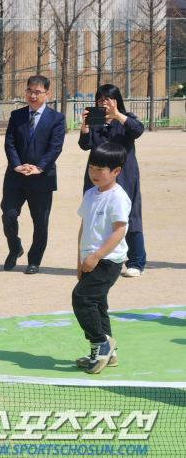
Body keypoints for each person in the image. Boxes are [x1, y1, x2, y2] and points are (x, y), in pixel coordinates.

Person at [72, 143, 130, 374]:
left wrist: (96, 256)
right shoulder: (89, 193)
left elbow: (119, 231)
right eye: (92, 167)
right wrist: (79, 261)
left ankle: (100, 343)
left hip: (107, 261)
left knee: (82, 299)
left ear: (116, 171)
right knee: (98, 304)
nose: (94, 173)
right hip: (90, 260)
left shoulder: (118, 197)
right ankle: (108, 354)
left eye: (100, 169)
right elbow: (84, 227)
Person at [1, 75, 65, 274]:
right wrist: (17, 165)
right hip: (15, 176)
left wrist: (40, 167)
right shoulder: (17, 115)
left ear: (47, 94)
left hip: (42, 178)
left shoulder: (57, 119)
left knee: (40, 221)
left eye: (38, 92)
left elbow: (55, 148)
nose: (33, 95)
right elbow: (9, 143)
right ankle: (15, 248)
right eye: (29, 91)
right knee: (8, 215)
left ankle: (34, 260)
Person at [79, 84, 145, 278]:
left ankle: (136, 262)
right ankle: (99, 258)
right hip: (98, 176)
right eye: (100, 100)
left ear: (116, 101)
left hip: (123, 174)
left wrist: (117, 115)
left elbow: (137, 130)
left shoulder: (126, 118)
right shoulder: (95, 121)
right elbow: (85, 145)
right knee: (95, 216)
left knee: (129, 216)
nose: (104, 103)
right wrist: (84, 125)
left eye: (108, 99)